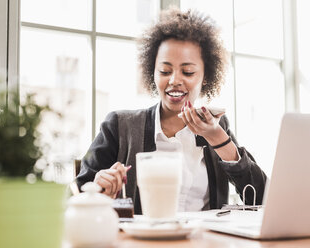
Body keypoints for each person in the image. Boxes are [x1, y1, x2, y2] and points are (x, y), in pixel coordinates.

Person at [76, 8, 267, 213]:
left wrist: (219, 139)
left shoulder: (218, 126)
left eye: (188, 71)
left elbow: (261, 195)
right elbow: (77, 194)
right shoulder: (119, 126)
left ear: (206, 77)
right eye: (165, 71)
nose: (174, 80)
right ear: (153, 73)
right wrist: (98, 190)